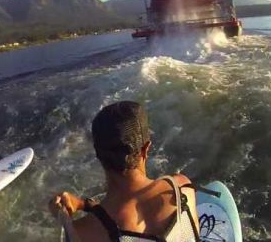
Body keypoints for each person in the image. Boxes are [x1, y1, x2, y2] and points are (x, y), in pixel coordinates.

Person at [49, 101, 200, 242]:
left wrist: (65, 219)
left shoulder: (83, 232)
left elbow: (109, 222)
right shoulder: (181, 187)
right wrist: (85, 205)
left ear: (98, 155)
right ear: (146, 148)